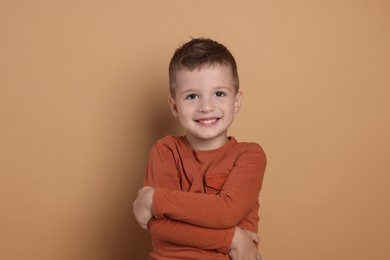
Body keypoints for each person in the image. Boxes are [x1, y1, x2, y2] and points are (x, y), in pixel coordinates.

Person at [133, 38, 267, 260]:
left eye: (219, 94)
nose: (206, 107)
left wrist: (156, 199)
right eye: (192, 96)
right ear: (175, 106)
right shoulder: (165, 151)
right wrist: (232, 239)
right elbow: (158, 226)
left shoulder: (249, 156)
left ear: (236, 101)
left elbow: (226, 211)